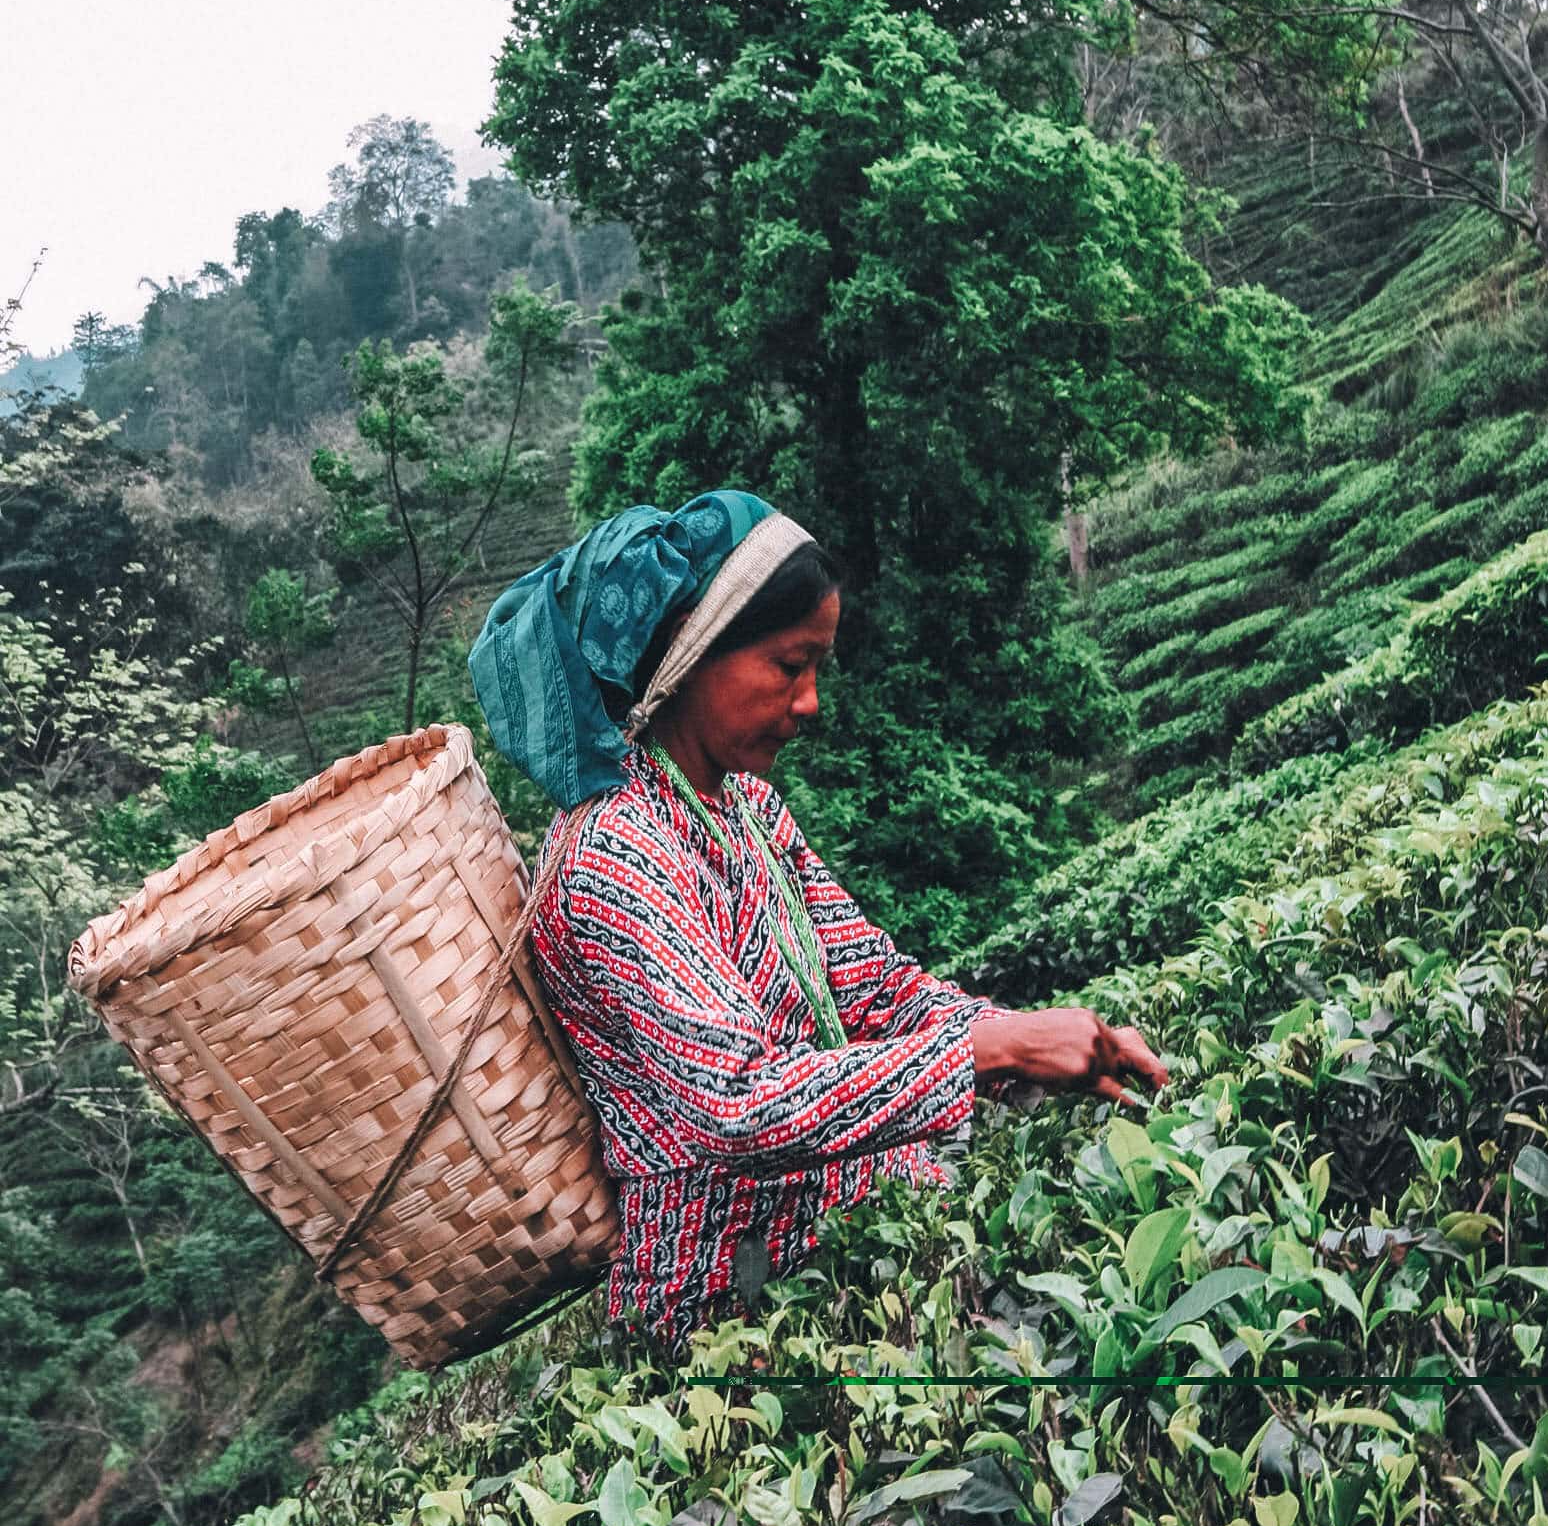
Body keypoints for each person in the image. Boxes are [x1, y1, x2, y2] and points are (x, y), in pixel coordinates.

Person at [470, 488, 1167, 1356]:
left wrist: (1041, 1035)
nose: (809, 703)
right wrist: (996, 1051)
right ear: (688, 655)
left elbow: (876, 989)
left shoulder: (749, 808)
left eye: (817, 670)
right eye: (788, 665)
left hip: (852, 1239)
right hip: (729, 1307)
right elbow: (736, 1105)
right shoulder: (611, 855)